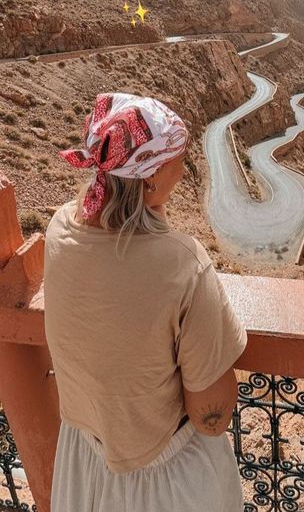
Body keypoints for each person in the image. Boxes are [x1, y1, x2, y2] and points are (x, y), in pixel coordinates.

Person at [43, 91, 248, 512]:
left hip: (81, 463)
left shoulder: (59, 229)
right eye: (177, 159)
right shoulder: (182, 266)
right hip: (166, 483)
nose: (184, 169)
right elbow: (215, 413)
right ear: (150, 176)